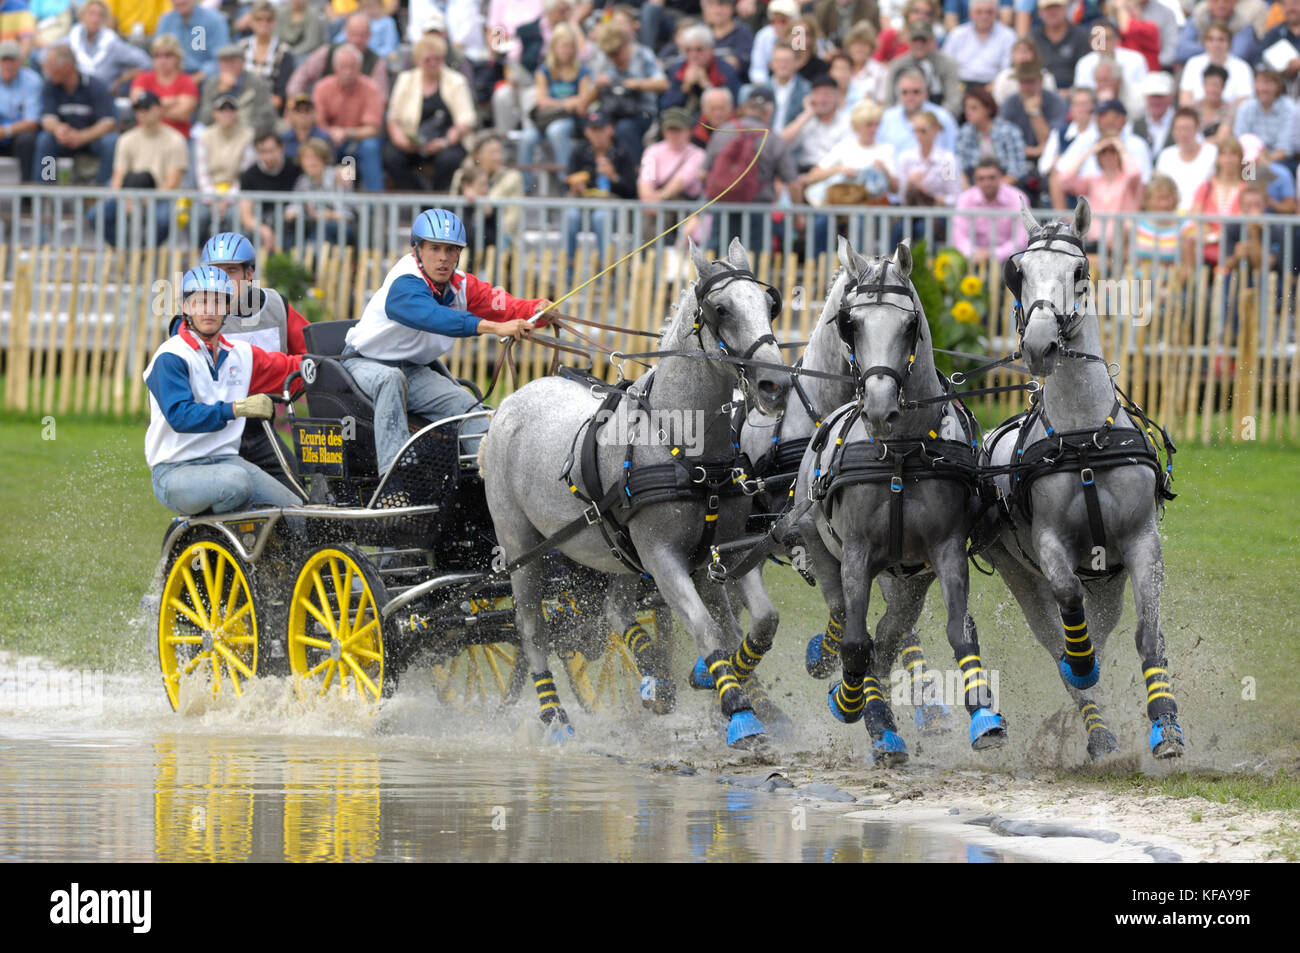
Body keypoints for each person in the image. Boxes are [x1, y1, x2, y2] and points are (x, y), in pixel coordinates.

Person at [341, 209, 566, 474]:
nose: (443, 258)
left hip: (412, 372)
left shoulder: (461, 285)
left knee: (464, 405)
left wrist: (537, 310)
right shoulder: (404, 281)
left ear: (459, 254)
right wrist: (494, 327)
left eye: (451, 250)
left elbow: (502, 304)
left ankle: (497, 479)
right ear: (417, 250)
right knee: (390, 379)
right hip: (362, 365)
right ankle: (395, 481)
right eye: (434, 248)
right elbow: (435, 317)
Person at [145, 265, 303, 516]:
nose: (209, 310)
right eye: (200, 302)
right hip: (175, 471)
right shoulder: (170, 356)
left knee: (299, 512)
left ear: (228, 308)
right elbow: (180, 416)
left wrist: (329, 361)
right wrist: (236, 409)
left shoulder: (241, 354)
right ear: (185, 307)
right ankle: (223, 537)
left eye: (218, 302)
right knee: (236, 483)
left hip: (228, 462)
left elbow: (288, 369)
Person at [384, 32, 476, 193]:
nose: (433, 63)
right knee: (390, 156)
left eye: (437, 59)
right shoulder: (405, 79)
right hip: (412, 141)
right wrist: (403, 142)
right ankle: (420, 198)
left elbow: (466, 120)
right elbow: (393, 119)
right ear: (418, 60)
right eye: (428, 60)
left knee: (449, 160)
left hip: (446, 142)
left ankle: (438, 197)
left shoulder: (456, 80)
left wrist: (445, 142)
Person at [91, 89, 186, 245]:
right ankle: (128, 250)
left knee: (163, 219)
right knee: (96, 215)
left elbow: (172, 182)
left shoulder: (175, 140)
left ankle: (142, 251)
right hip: (129, 192)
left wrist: (144, 200)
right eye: (138, 109)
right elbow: (118, 177)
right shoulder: (126, 139)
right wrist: (125, 198)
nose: (142, 113)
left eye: (147, 108)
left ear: (160, 109)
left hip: (161, 197)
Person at [517, 21, 591, 193]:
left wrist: (557, 103)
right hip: (547, 119)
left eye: (570, 46)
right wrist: (567, 103)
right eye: (563, 46)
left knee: (556, 131)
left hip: (569, 120)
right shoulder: (544, 70)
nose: (566, 51)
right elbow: (541, 101)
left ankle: (565, 181)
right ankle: (523, 186)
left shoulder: (582, 71)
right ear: (554, 47)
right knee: (527, 137)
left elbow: (583, 101)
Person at [562, 110, 637, 269]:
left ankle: (605, 270)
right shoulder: (579, 151)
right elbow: (566, 181)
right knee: (570, 216)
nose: (598, 134)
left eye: (601, 128)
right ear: (586, 132)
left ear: (610, 129)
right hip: (583, 202)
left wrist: (613, 177)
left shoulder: (622, 152)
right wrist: (575, 187)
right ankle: (568, 270)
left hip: (612, 203)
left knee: (601, 218)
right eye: (593, 129)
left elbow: (631, 190)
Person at [588, 21, 667, 168]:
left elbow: (663, 83)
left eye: (616, 53)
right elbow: (585, 100)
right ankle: (598, 175)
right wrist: (597, 85)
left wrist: (636, 84)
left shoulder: (643, 54)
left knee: (625, 128)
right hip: (611, 111)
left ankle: (635, 173)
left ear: (626, 43)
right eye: (609, 54)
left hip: (641, 111)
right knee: (594, 125)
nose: (613, 58)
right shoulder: (604, 59)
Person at [34, 42, 115, 184]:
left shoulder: (94, 85)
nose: (46, 69)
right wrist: (58, 129)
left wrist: (82, 136)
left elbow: (108, 122)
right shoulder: (50, 86)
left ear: (66, 67)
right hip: (62, 139)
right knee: (45, 140)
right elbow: (48, 119)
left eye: (50, 65)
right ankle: (45, 187)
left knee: (110, 142)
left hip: (90, 139)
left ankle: (103, 191)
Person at [310, 43, 383, 192]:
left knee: (370, 147)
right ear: (335, 68)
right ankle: (318, 197)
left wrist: (346, 133)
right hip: (330, 138)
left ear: (360, 68)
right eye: (344, 66)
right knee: (317, 143)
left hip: (359, 140)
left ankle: (374, 205)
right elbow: (318, 122)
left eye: (352, 67)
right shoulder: (322, 87)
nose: (348, 71)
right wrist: (332, 133)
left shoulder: (371, 88)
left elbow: (373, 128)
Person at [1055, 134, 1143, 258]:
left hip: (1121, 248)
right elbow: (1064, 180)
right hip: (1093, 246)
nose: (1108, 155)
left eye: (1113, 151)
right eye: (1103, 152)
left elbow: (1135, 173)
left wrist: (1121, 147)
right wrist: (1089, 152)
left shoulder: (1127, 180)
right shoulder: (1093, 181)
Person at [638, 105, 709, 248]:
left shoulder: (698, 154)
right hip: (656, 205)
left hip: (685, 207)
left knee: (662, 215)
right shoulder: (653, 150)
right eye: (670, 130)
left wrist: (656, 199)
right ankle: (648, 256)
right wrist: (648, 198)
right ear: (664, 131)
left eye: (678, 130)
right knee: (650, 218)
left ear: (688, 131)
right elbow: (645, 179)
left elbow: (682, 180)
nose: (674, 134)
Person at [286, 11, 389, 100]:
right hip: (325, 114)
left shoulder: (376, 62)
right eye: (354, 34)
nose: (357, 40)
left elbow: (381, 97)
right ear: (346, 32)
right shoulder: (328, 51)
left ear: (369, 35)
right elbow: (302, 75)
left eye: (362, 35)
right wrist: (298, 101)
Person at [449, 132, 525, 250]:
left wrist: (490, 213)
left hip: (498, 241)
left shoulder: (512, 177)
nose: (497, 157)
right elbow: (453, 211)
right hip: (466, 239)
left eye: (499, 152)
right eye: (492, 153)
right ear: (477, 155)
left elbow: (512, 219)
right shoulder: (461, 175)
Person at [194, 95, 251, 238]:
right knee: (199, 217)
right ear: (214, 113)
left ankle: (235, 258)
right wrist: (214, 199)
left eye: (231, 109)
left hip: (237, 194)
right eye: (222, 109)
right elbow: (202, 175)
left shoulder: (248, 136)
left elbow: (245, 175)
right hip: (209, 194)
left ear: (237, 113)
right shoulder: (204, 137)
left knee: (234, 216)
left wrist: (226, 200)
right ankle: (199, 254)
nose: (227, 113)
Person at [952, 158, 1029, 265]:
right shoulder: (965, 198)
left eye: (991, 178)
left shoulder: (1018, 198)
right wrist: (973, 253)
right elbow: (959, 236)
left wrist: (994, 254)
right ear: (975, 180)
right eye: (981, 178)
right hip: (974, 257)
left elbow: (1021, 239)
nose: (987, 183)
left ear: (1001, 177)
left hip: (1008, 259)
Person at [65, 0, 149, 95]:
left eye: (100, 15)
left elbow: (145, 62)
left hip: (105, 96)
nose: (95, 19)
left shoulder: (113, 44)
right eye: (91, 13)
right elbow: (47, 55)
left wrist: (122, 79)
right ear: (82, 16)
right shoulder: (71, 40)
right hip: (75, 95)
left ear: (105, 20)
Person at [239, 129, 300, 252]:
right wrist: (263, 230)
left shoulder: (295, 168)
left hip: (289, 225)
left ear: (281, 148)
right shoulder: (249, 175)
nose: (267, 156)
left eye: (271, 151)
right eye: (262, 152)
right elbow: (246, 216)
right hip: (260, 225)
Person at [661, 23, 741, 115]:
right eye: (688, 50)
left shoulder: (726, 70)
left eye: (699, 49)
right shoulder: (677, 69)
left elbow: (731, 107)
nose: (693, 55)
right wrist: (685, 87)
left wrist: (706, 85)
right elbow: (667, 106)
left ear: (711, 50)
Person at [130, 33, 199, 140]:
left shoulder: (187, 81)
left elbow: (183, 114)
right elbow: (138, 108)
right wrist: (169, 102)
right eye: (157, 55)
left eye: (167, 55)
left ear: (177, 57)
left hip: (178, 138)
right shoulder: (142, 79)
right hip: (146, 137)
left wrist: (150, 108)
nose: (162, 60)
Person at [955, 85, 1028, 184]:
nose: (968, 112)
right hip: (975, 184)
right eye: (966, 108)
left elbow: (1017, 169)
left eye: (974, 108)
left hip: (1006, 184)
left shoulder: (1009, 131)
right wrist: (968, 190)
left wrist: (993, 190)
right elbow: (960, 166)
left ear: (988, 109)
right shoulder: (964, 131)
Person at [878, 65, 958, 156]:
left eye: (916, 92)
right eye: (905, 92)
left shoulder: (942, 117)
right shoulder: (887, 118)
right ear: (899, 94)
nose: (910, 97)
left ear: (926, 93)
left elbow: (951, 155)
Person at [887, 21, 962, 117]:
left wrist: (933, 121)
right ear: (909, 41)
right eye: (915, 40)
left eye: (923, 40)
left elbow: (954, 101)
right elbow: (889, 102)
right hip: (902, 119)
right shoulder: (897, 65)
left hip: (937, 122)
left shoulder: (947, 64)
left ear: (932, 40)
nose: (919, 44)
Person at [197, 43, 276, 131]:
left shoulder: (257, 83)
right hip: (218, 135)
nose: (229, 66)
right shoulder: (210, 85)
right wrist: (220, 91)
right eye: (225, 62)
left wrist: (242, 133)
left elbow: (266, 118)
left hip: (249, 135)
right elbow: (204, 119)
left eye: (233, 61)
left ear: (243, 63)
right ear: (219, 65)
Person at [782, 74, 850, 172]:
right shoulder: (806, 119)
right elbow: (780, 143)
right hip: (804, 170)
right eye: (817, 94)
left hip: (833, 173)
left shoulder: (846, 121)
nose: (821, 100)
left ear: (837, 97)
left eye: (827, 94)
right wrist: (807, 114)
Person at [940, 0, 1015, 88]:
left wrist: (995, 85)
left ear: (996, 14)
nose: (984, 16)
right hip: (960, 85)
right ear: (970, 14)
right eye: (979, 12)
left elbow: (1006, 69)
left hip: (994, 86)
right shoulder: (957, 34)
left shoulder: (1008, 36)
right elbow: (946, 65)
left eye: (989, 12)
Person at [1156, 106, 1218, 210]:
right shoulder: (1165, 156)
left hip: (1203, 218)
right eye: (1179, 129)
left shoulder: (1212, 152)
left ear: (1197, 129)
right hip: (1171, 218)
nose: (1183, 134)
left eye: (1187, 129)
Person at [1180, 22, 1254, 107]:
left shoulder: (1242, 68)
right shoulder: (1193, 64)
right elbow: (1184, 100)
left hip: (1231, 117)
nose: (1216, 44)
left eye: (1221, 39)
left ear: (1229, 43)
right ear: (1204, 42)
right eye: (1211, 39)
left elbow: (1244, 102)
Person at [240, 0, 294, 114]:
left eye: (268, 20)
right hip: (242, 104)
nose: (263, 23)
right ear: (252, 21)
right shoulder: (241, 47)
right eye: (259, 19)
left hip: (270, 109)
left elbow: (281, 94)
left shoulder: (284, 51)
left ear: (274, 22)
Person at [154, 0, 231, 78]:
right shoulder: (166, 20)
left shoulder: (215, 20)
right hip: (172, 77)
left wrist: (196, 78)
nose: (179, 2)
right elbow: (158, 54)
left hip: (204, 78)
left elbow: (220, 59)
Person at [1031, 0, 1091, 92]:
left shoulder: (1080, 35)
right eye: (1048, 8)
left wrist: (1072, 92)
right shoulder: (1033, 38)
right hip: (1040, 91)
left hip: (1074, 92)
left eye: (1056, 7)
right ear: (1040, 12)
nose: (1052, 12)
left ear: (1065, 9)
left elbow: (1086, 69)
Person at [0, 39, 39, 180]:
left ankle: (27, 195)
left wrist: (6, 131)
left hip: (18, 134)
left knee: (28, 141)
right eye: (4, 60)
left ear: (20, 62)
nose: (8, 65)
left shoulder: (32, 80)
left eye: (12, 60)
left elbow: (32, 122)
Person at [1132, 70, 1177, 156]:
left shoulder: (1181, 121)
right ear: (1145, 97)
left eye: (1160, 96)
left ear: (1171, 97)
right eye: (1152, 96)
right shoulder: (1136, 125)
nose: (1156, 101)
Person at [281, 92, 332, 164]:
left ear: (314, 113)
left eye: (307, 110)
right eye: (298, 111)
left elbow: (330, 164)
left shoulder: (324, 138)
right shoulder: (284, 139)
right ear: (291, 115)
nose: (303, 115)